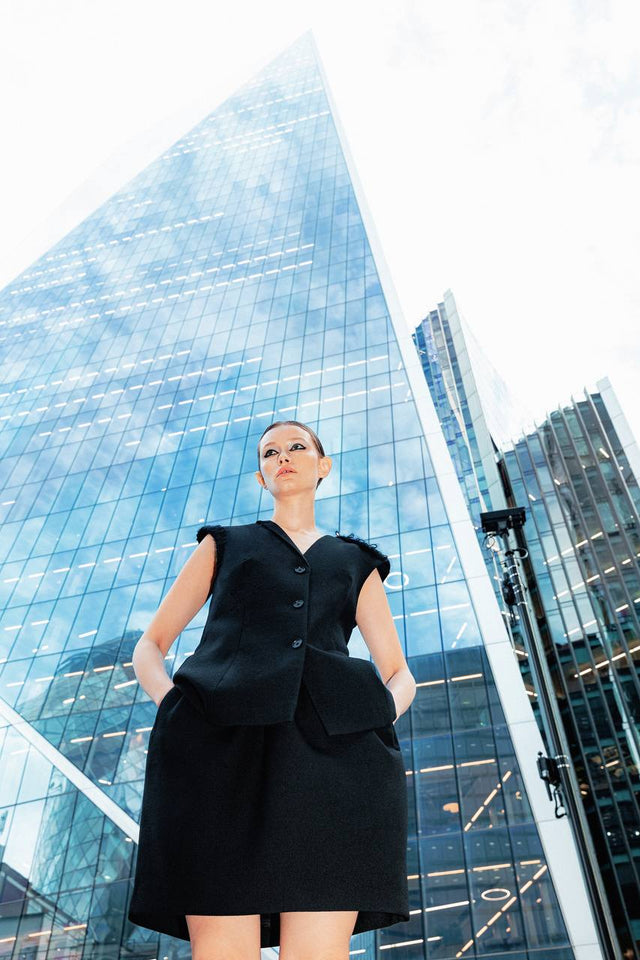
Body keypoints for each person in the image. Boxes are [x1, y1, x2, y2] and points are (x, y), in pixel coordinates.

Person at [127, 419, 416, 959]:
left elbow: (400, 673)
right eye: (270, 452)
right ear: (262, 476)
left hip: (333, 766)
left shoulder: (356, 563)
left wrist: (375, 718)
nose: (283, 456)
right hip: (218, 757)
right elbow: (151, 645)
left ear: (322, 466)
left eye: (297, 447)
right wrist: (176, 709)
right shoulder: (226, 544)